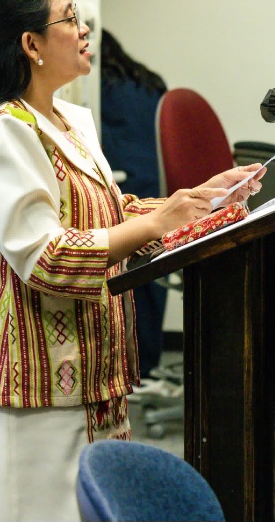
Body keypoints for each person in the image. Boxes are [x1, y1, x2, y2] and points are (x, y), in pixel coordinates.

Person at [0, 0, 264, 521]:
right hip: (23, 386)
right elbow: (49, 256)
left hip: (89, 372)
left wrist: (197, 201)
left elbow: (109, 216)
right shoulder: (1, 133)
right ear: (31, 43)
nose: (85, 31)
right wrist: (158, 223)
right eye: (71, 18)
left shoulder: (69, 121)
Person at [99, 29, 171, 383]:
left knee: (131, 278)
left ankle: (137, 369)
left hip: (124, 182)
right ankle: (152, 360)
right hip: (155, 183)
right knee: (153, 276)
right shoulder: (149, 80)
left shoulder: (104, 90)